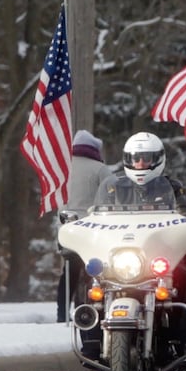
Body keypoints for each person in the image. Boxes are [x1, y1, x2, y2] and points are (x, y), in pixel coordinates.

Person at [90, 132, 186, 365]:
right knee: (90, 282)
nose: (140, 164)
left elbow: (185, 215)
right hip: (123, 259)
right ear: (127, 159)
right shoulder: (114, 188)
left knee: (185, 278)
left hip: (159, 259)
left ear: (157, 159)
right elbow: (97, 218)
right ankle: (90, 340)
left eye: (146, 158)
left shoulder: (170, 187)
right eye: (135, 158)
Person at [57, 129, 116, 322]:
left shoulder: (63, 168)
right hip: (93, 231)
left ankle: (61, 315)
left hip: (67, 229)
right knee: (96, 272)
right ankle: (93, 311)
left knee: (69, 273)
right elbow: (114, 193)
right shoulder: (99, 169)